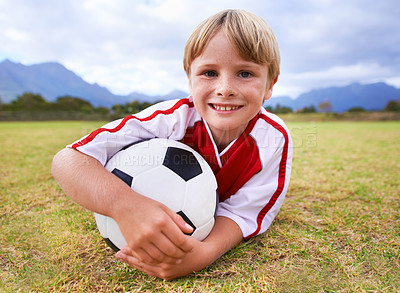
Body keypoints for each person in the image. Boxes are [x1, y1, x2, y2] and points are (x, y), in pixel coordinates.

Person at [52, 9, 293, 280]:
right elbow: (69, 160)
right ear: (189, 79)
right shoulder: (170, 119)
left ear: (270, 84)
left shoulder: (272, 138)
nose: (225, 88)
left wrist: (205, 252)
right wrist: (125, 206)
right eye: (209, 73)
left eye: (245, 74)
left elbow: (244, 212)